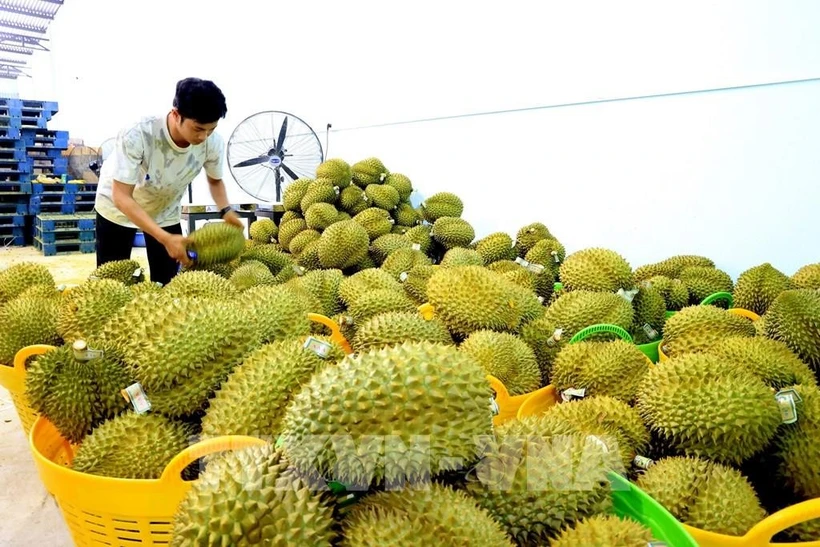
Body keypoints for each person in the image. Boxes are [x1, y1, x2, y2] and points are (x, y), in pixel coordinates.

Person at [93, 77, 243, 285]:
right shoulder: (139, 133)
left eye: (211, 129)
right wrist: (164, 238)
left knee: (167, 282)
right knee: (110, 284)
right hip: (117, 208)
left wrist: (226, 210)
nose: (204, 137)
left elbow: (215, 181)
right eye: (198, 129)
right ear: (176, 114)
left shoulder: (212, 143)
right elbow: (121, 196)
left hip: (164, 210)